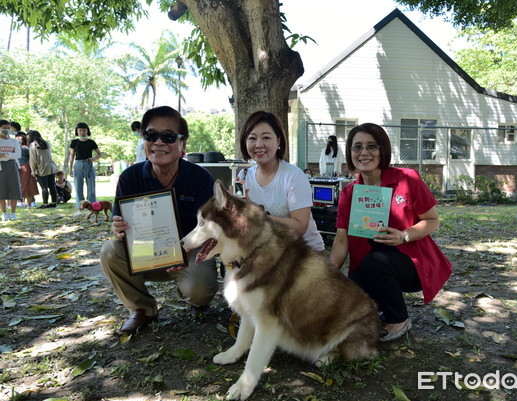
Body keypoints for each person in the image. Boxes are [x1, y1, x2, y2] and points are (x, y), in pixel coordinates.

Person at [100, 105, 218, 335]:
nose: (159, 142)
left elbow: (210, 226)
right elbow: (120, 223)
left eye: (168, 136)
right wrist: (118, 228)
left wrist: (186, 248)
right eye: (151, 135)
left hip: (188, 253)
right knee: (110, 250)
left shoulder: (200, 178)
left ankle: (197, 302)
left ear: (183, 143)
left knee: (200, 290)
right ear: (144, 140)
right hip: (145, 253)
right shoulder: (130, 177)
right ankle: (143, 309)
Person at [329, 123, 452, 342]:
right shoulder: (349, 193)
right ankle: (378, 307)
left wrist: (403, 235)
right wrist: (327, 275)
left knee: (376, 262)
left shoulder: (407, 179)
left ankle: (399, 319)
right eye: (357, 147)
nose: (364, 152)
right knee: (350, 301)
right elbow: (341, 240)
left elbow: (432, 220)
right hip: (368, 265)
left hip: (410, 264)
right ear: (350, 153)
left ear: (383, 150)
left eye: (371, 146)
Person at [238, 111, 324, 252]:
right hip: (268, 253)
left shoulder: (294, 176)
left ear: (278, 141)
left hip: (303, 255)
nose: (259, 144)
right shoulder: (244, 176)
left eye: (266, 137)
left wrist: (258, 216)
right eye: (252, 138)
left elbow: (299, 228)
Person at [69, 122, 102, 216]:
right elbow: (71, 156)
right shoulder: (74, 142)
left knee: (91, 187)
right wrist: (70, 169)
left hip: (89, 164)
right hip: (78, 164)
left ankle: (92, 208)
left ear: (87, 131)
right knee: (78, 187)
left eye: (84, 130)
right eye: (80, 130)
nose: (82, 132)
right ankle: (79, 209)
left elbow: (99, 154)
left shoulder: (91, 142)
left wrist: (94, 159)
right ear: (77, 131)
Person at [28, 130, 58, 208]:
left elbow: (33, 159)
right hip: (50, 167)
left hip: (41, 168)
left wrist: (33, 170)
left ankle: (45, 204)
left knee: (44, 187)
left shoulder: (33, 145)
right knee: (52, 186)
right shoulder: (46, 143)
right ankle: (54, 202)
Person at [0, 119, 22, 221]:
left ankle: (13, 213)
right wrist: (9, 156)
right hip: (1, 167)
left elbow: (18, 155)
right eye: (4, 128)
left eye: (8, 128)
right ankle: (4, 213)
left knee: (14, 189)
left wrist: (5, 155)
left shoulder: (14, 141)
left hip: (13, 166)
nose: (6, 130)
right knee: (2, 190)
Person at [14, 132, 39, 208]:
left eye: (19, 137)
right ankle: (25, 202)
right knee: (23, 185)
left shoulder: (25, 148)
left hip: (25, 167)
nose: (18, 138)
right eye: (17, 137)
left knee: (27, 185)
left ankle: (28, 203)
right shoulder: (20, 147)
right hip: (19, 167)